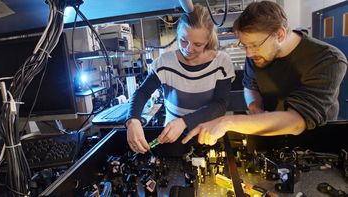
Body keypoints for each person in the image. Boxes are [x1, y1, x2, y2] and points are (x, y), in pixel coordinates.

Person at [182, 1, 347, 146]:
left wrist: (227, 122)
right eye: (244, 45)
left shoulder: (328, 59)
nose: (248, 53)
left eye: (254, 45)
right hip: (268, 131)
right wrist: (255, 107)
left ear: (280, 35)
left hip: (316, 144)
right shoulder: (256, 54)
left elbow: (297, 122)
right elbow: (250, 85)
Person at [125, 4, 235, 153]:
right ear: (178, 33)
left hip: (208, 135)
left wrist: (185, 122)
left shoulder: (222, 63)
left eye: (197, 44)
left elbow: (220, 104)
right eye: (183, 40)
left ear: (208, 40)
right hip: (171, 137)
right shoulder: (165, 62)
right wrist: (133, 120)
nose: (188, 49)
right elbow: (142, 92)